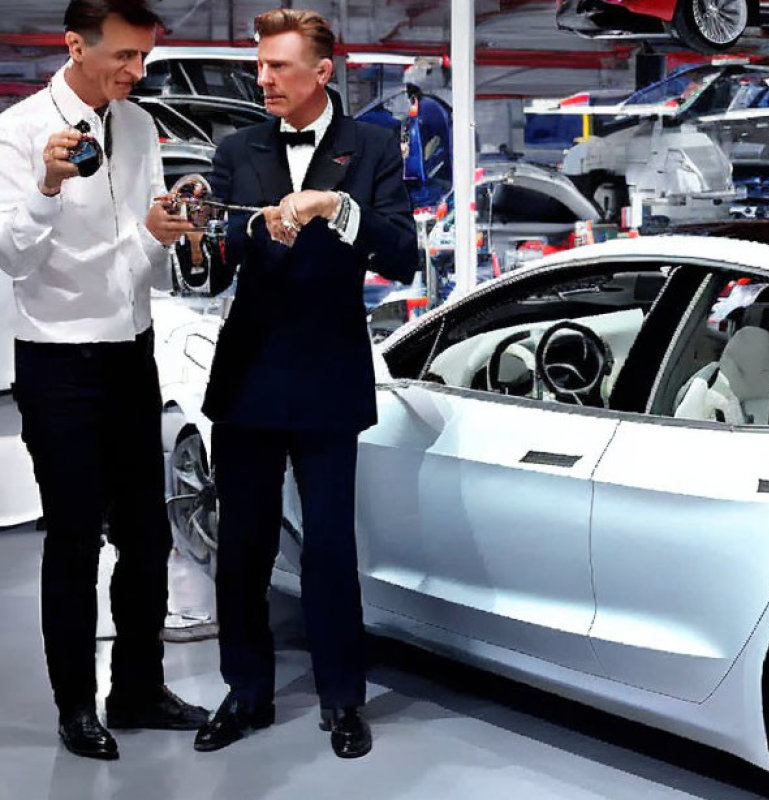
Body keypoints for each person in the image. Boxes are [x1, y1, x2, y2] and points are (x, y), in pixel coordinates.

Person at [192, 9, 417, 758]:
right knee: (244, 548)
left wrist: (337, 208)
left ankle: (342, 701)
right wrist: (231, 232)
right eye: (259, 67)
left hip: (327, 373)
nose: (262, 79)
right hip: (249, 373)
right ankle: (245, 692)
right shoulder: (237, 148)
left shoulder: (375, 147)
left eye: (277, 67)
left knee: (328, 548)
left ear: (322, 72)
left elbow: (404, 257)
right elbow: (216, 255)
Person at [0, 0, 210, 761]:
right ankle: (74, 707)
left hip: (131, 350)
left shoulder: (141, 126)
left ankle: (138, 688)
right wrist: (49, 185)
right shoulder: (20, 132)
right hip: (59, 360)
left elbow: (139, 262)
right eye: (123, 57)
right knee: (75, 539)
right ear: (73, 47)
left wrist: (160, 236)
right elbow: (15, 260)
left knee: (149, 538)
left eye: (143, 58)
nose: (137, 71)